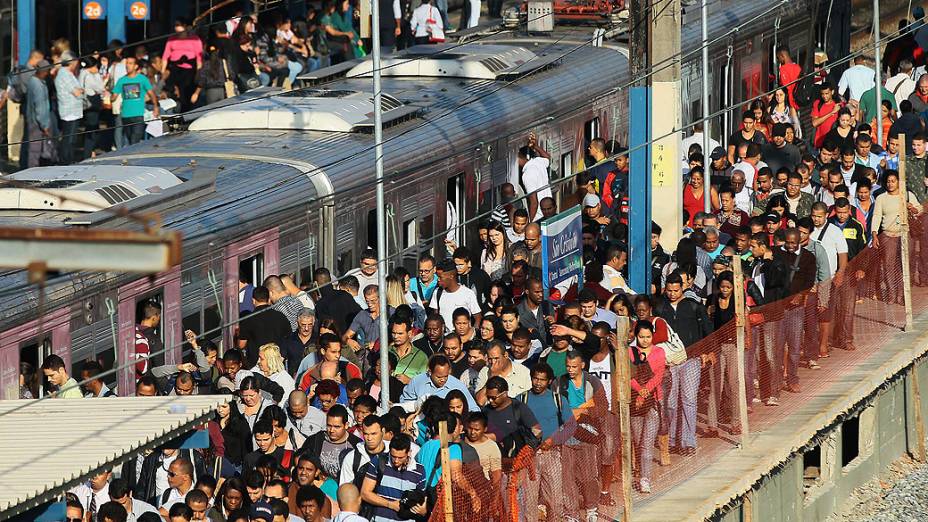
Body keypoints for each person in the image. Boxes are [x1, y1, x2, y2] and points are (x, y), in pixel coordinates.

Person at [359, 433, 428, 521]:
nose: (396, 461)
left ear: (409, 452)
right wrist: (390, 504)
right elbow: (365, 493)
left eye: (400, 457)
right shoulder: (378, 462)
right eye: (393, 456)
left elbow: (422, 500)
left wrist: (423, 511)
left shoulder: (419, 471)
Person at [399, 354, 479, 409]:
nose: (443, 379)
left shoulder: (457, 385)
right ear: (430, 372)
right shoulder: (417, 381)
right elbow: (405, 403)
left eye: (446, 376)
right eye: (439, 377)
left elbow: (473, 408)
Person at [111, 56, 159, 145]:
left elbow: (151, 94)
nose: (127, 66)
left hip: (138, 114)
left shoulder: (142, 79)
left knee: (134, 140)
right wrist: (110, 97)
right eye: (126, 63)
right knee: (130, 140)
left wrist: (156, 107)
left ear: (136, 66)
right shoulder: (121, 80)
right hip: (126, 115)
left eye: (130, 63)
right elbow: (113, 96)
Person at [54, 51, 83, 164]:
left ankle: (69, 159)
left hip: (73, 111)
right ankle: (65, 161)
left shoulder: (68, 74)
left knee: (72, 139)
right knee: (69, 139)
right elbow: (76, 92)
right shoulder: (64, 74)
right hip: (69, 112)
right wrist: (81, 90)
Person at [518, 132, 553, 221]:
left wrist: (531, 222)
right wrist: (536, 147)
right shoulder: (537, 161)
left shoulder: (527, 175)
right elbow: (547, 158)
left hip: (539, 215)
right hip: (549, 210)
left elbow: (534, 202)